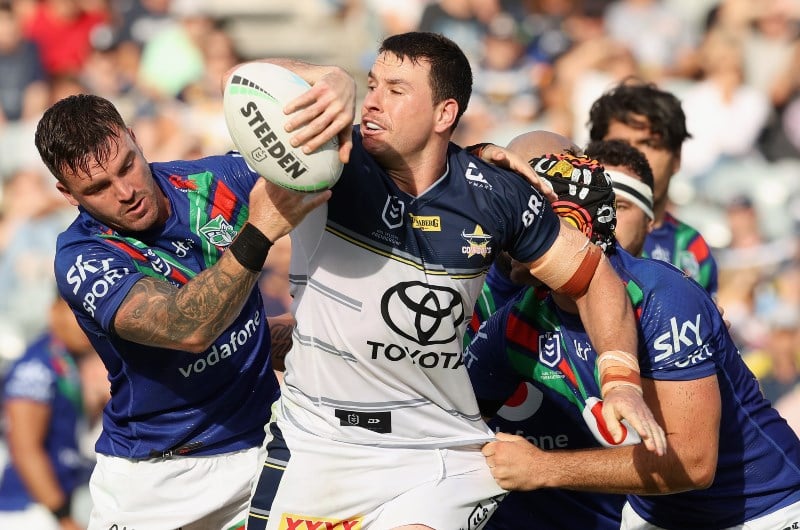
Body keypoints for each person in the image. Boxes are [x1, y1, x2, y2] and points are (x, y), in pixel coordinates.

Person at [244, 31, 665, 530]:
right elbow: (245, 83)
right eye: (372, 84)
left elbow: (593, 277)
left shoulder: (497, 194)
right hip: (321, 447)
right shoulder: (329, 159)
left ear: (445, 114)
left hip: (438, 453)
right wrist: (326, 77)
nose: (373, 102)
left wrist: (620, 381)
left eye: (396, 91)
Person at [465, 131, 800, 530]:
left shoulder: (661, 298)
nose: (503, 235)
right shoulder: (519, 320)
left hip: (763, 511)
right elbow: (453, 413)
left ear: (568, 228)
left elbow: (693, 464)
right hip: (654, 516)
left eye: (521, 222)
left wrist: (542, 467)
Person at [33, 93, 329, 529]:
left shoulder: (213, 180)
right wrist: (259, 230)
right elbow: (185, 329)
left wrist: (333, 84)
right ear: (67, 193)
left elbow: (327, 164)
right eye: (97, 188)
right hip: (156, 480)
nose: (125, 192)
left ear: (135, 139)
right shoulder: (81, 256)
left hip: (262, 450)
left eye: (126, 166)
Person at [587, 80, 720, 297]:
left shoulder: (692, 246)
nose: (634, 155)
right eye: (619, 144)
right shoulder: (572, 229)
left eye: (649, 144)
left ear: (676, 158)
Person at [0, 295, 95, 530]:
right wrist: (63, 517)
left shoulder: (64, 360)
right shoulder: (35, 367)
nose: (89, 322)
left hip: (60, 500)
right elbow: (25, 448)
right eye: (78, 313)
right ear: (54, 312)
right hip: (31, 511)